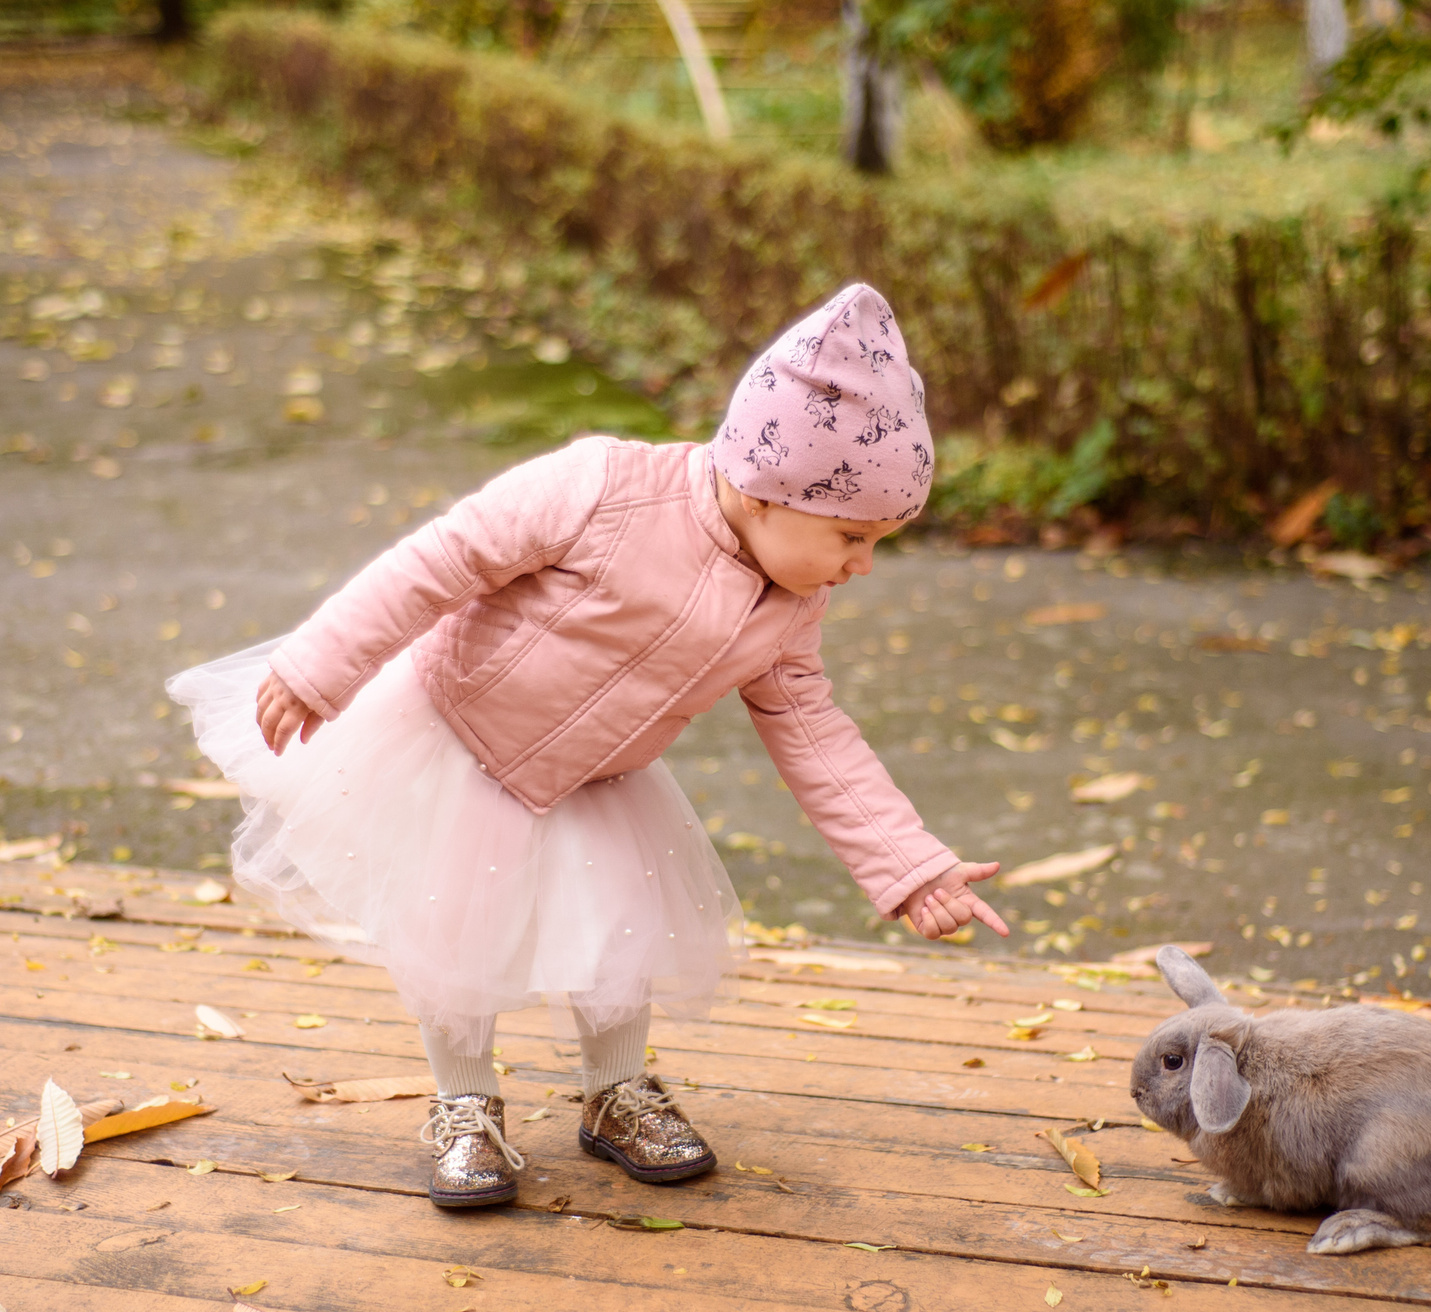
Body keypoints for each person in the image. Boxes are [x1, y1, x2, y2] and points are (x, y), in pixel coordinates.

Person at [168, 283, 1008, 1209]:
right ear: (768, 488)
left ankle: (615, 1092)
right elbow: (438, 562)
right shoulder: (601, 489)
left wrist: (909, 865)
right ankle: (463, 1104)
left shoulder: (790, 601)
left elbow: (814, 731)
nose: (861, 564)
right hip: (463, 739)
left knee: (620, 929)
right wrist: (322, 663)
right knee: (454, 931)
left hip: (601, 771)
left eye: (879, 541)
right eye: (851, 535)